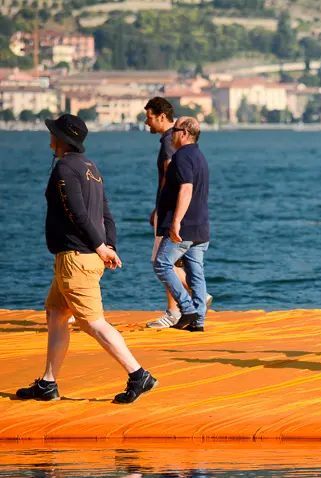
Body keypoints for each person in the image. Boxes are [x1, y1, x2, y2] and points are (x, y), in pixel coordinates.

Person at [16, 114, 158, 403]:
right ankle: (48, 383)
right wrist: (108, 245)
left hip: (76, 258)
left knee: (93, 323)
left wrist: (101, 247)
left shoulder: (64, 169)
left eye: (53, 133)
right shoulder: (91, 168)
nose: (49, 138)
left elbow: (76, 213)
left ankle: (138, 374)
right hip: (82, 256)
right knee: (56, 316)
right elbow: (106, 213)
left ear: (61, 139)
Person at [143, 97, 212, 329]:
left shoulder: (181, 156)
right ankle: (198, 321)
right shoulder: (200, 157)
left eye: (175, 130)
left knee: (162, 264)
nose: (172, 133)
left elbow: (186, 188)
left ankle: (188, 309)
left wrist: (175, 222)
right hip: (202, 227)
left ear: (183, 133)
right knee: (195, 274)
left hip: (187, 226)